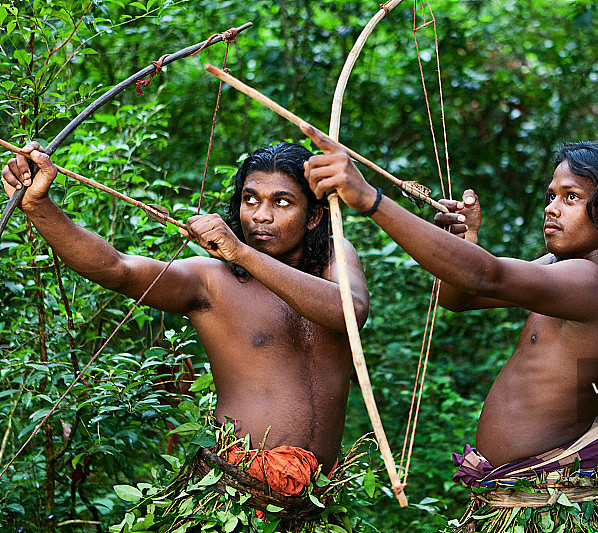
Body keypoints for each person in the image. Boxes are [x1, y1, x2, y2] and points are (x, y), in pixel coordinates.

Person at [300, 123, 598, 531]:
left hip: (541, 505)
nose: (552, 208)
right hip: (511, 498)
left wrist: (371, 200)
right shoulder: (561, 270)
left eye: (572, 197)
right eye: (551, 195)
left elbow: (486, 277)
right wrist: (469, 239)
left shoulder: (596, 284)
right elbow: (460, 298)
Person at [1, 141, 368, 506]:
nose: (260, 215)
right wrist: (37, 205)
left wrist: (243, 253)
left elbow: (348, 311)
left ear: (315, 216)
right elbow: (117, 269)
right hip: (236, 498)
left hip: (321, 497)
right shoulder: (211, 280)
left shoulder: (335, 258)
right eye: (250, 199)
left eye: (282, 202)